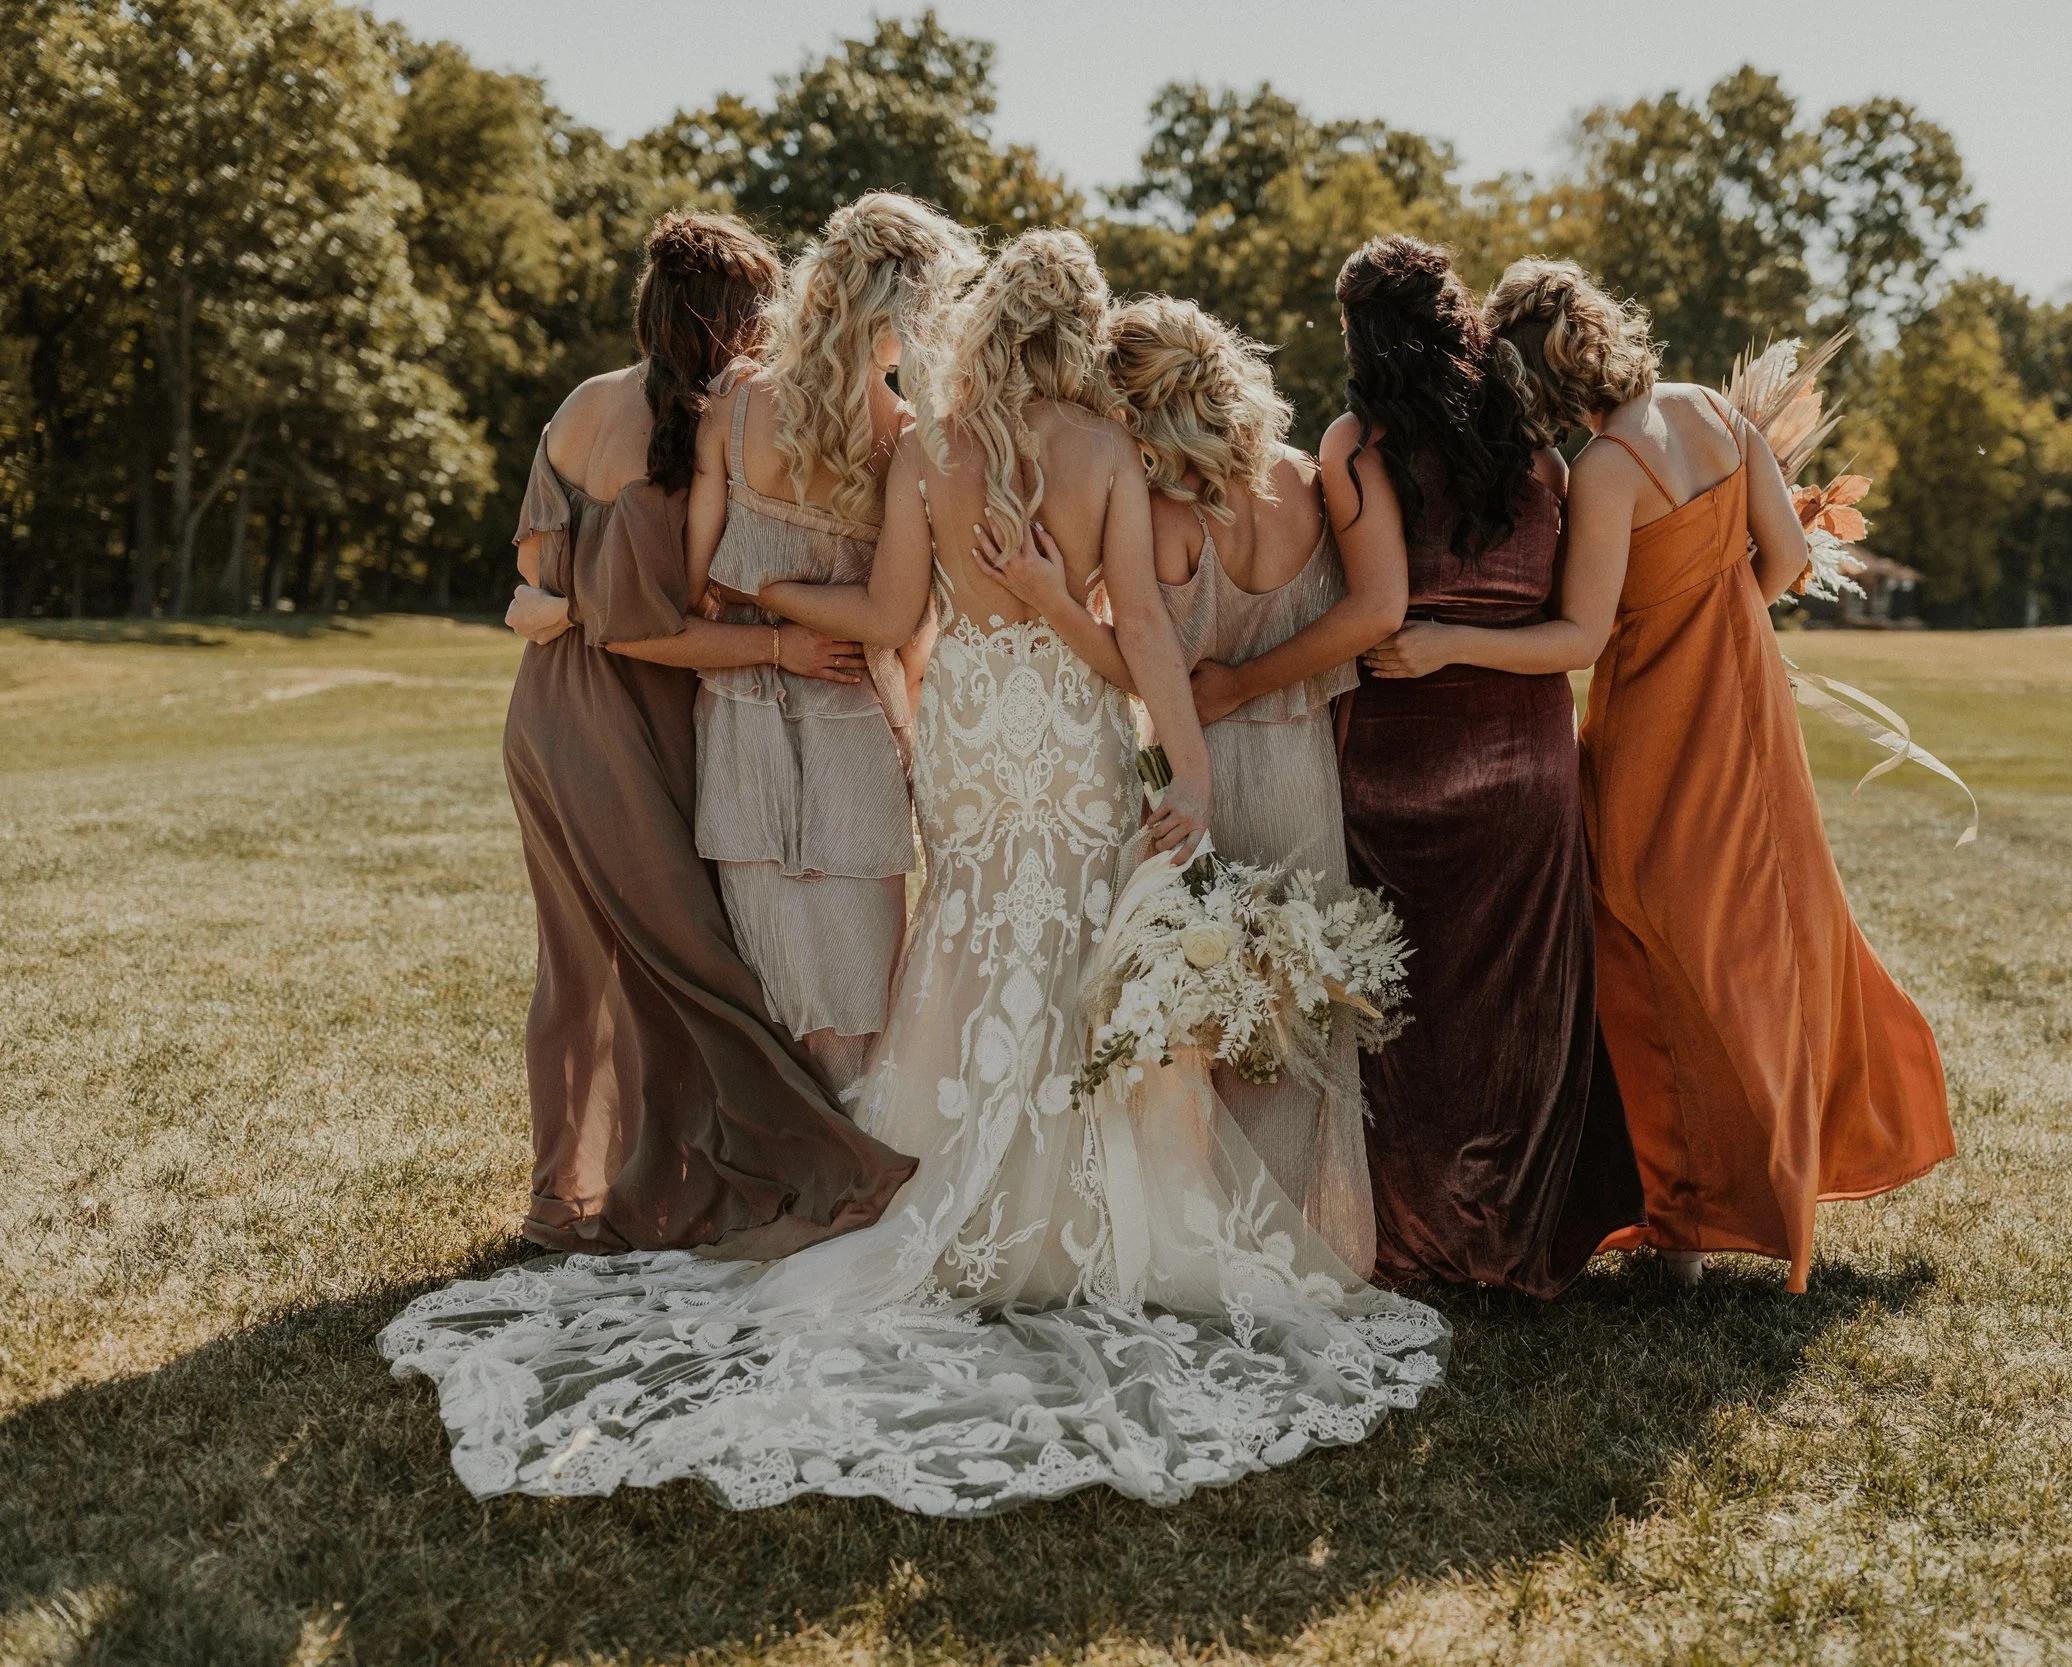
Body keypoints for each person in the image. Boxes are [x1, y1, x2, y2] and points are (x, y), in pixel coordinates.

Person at [382, 229, 1446, 1518]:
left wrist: (775, 593)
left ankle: (930, 1191)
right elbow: (1141, 639)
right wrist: (1192, 769)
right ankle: (1073, 1210)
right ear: (1076, 330)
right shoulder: (1105, 452)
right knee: (1066, 942)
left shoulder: (929, 448)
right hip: (1060, 728)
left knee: (968, 931)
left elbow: (893, 620)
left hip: (969, 743)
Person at [1399, 258, 1955, 1292]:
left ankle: (1691, 1223)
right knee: (1769, 925)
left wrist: (1443, 645)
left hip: (1662, 725)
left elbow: (1575, 637)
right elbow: (1783, 560)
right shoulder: (1709, 408)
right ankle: (1734, 1191)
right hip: (1750, 709)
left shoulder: (1603, 470)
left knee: (1661, 935)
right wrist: (1720, 618)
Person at [491, 212, 917, 1258]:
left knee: (579, 964)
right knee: (687, 961)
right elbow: (653, 625)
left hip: (542, 708)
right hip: (635, 711)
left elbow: (537, 583)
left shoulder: (582, 402)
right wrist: (775, 645)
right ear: (738, 321)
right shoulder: (693, 422)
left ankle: (570, 1193)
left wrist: (562, 611)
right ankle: (805, 1160)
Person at [979, 294, 1394, 1275]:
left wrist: (1049, 600)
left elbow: (1142, 670)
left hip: (1197, 779)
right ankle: (1314, 1242)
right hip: (1300, 769)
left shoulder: (1162, 514)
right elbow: (1344, 625)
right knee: (1300, 1005)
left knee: (1202, 1018)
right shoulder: (1301, 483)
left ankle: (1217, 1246)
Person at [1327, 235, 1642, 1298]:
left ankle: (1406, 1230)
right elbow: (1570, 629)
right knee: (1512, 997)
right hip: (1520, 759)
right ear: (1458, 321)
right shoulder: (1542, 460)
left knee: (1402, 1004)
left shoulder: (1355, 448)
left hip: (1393, 754)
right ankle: (1506, 1228)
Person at [679, 192, 977, 1093]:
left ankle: (793, 1155)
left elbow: (690, 587)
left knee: (768, 962)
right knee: (862, 977)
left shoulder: (735, 405)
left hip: (738, 720)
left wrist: (765, 596)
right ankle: (858, 1158)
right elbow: (902, 625)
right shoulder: (906, 441)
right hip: (856, 720)